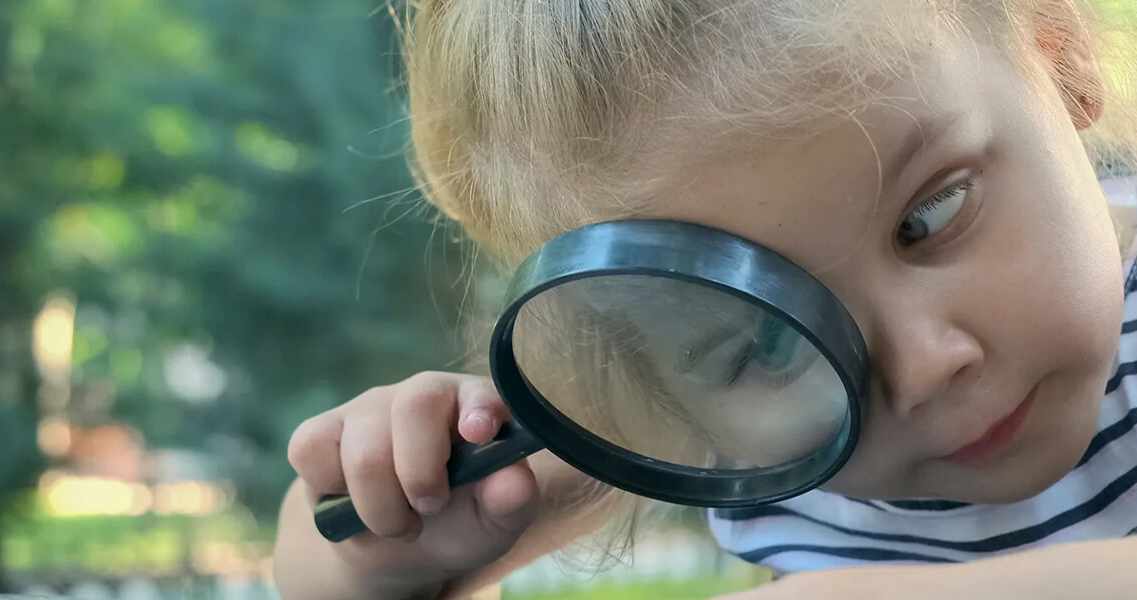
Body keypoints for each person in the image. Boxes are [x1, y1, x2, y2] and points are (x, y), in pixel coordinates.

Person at [273, 0, 1137, 598]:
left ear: (1058, 61)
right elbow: (323, 562)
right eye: (765, 342)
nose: (923, 367)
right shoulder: (724, 431)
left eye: (932, 214)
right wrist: (384, 537)